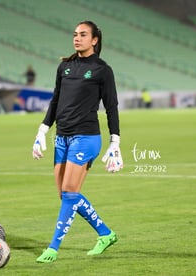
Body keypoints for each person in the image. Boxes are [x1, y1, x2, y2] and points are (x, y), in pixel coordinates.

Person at [32, 20, 123, 263]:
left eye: (83, 35)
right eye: (74, 34)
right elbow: (55, 100)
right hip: (61, 137)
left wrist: (115, 141)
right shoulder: (65, 67)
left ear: (94, 40)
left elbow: (111, 107)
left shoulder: (103, 70)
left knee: (70, 191)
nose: (77, 38)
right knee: (65, 195)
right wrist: (42, 131)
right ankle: (105, 234)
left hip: (87, 137)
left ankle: (53, 248)